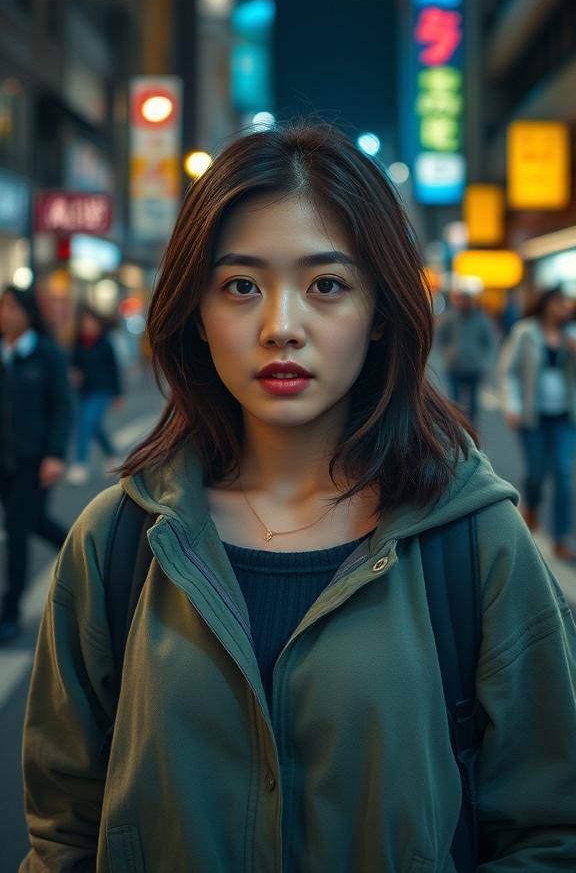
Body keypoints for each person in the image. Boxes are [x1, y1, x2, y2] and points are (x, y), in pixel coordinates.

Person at [20, 124, 576, 871]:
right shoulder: (117, 541)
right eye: (241, 286)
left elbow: (551, 832)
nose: (281, 327)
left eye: (327, 285)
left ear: (380, 312)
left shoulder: (477, 543)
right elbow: (62, 832)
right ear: (197, 311)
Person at [0, 284, 72, 644]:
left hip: (33, 461)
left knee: (16, 531)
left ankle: (9, 613)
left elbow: (62, 406)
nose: (5, 314)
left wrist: (55, 455)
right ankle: (80, 549)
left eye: (12, 306)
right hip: (3, 462)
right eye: (2, 307)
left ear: (28, 312)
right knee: (34, 522)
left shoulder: (47, 355)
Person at [499, 284, 576, 561]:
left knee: (564, 474)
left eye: (567, 302)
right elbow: (508, 371)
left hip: (565, 416)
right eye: (560, 301)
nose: (565, 306)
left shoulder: (571, 334)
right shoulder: (526, 332)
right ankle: (531, 506)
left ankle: (561, 539)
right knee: (536, 471)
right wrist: (513, 406)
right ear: (546, 303)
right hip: (533, 415)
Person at [66, 305, 123, 485]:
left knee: (86, 423)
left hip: (103, 390)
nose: (88, 326)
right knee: (94, 426)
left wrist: (117, 394)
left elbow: (114, 370)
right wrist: (74, 374)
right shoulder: (78, 343)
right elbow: (73, 365)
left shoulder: (106, 344)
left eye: (92, 322)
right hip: (84, 391)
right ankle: (111, 454)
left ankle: (80, 464)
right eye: (85, 323)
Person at [435, 285, 498, 426]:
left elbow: (489, 343)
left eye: (467, 300)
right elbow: (441, 336)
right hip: (455, 365)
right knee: (455, 401)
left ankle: (472, 428)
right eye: (462, 300)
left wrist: (485, 363)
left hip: (474, 367)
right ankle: (457, 428)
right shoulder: (451, 318)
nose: (464, 303)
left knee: (473, 403)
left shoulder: (481, 320)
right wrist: (448, 353)